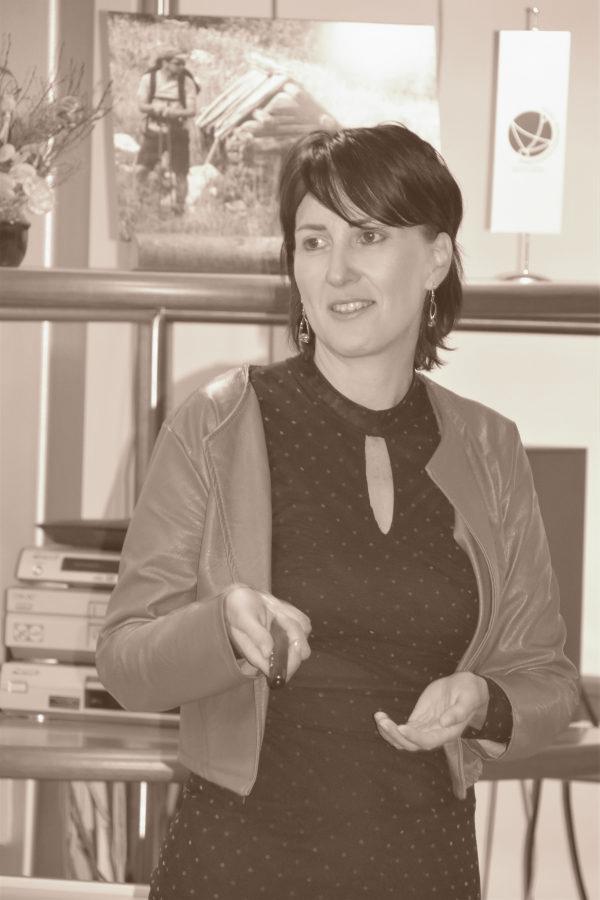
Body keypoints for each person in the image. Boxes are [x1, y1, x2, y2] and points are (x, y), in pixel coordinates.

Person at [96, 123, 579, 899]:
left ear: (437, 258)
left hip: (425, 868)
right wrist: (221, 627)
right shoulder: (217, 422)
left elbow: (548, 679)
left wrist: (482, 700)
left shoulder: (490, 446)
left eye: (369, 235)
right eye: (314, 241)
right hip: (237, 868)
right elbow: (125, 660)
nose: (338, 268)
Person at [136, 50, 199, 213]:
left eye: (183, 64)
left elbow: (192, 110)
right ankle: (139, 203)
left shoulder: (187, 82)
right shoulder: (149, 79)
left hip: (178, 131)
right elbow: (142, 105)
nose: (182, 67)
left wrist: (174, 113)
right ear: (165, 63)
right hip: (154, 130)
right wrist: (154, 108)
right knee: (141, 169)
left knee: (181, 173)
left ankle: (179, 208)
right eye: (178, 63)